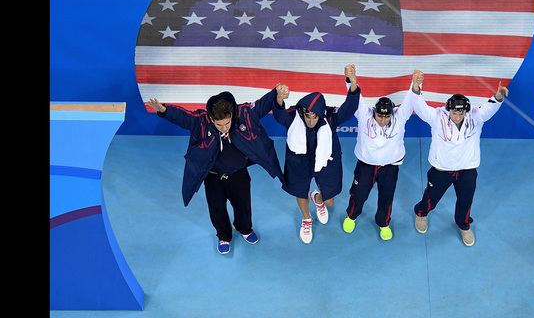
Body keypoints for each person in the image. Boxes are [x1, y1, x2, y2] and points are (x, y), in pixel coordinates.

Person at [145, 87, 285, 254]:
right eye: (220, 125)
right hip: (213, 178)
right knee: (217, 208)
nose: (225, 128)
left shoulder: (244, 114)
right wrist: (164, 110)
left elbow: (262, 105)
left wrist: (276, 91)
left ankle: (245, 228)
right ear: (211, 119)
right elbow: (184, 118)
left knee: (243, 205)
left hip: (238, 174)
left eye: (227, 122)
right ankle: (224, 236)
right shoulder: (201, 122)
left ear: (231, 114)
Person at [410, 69, 509, 246]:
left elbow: (489, 109)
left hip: (467, 170)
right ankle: (421, 213)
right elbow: (420, 107)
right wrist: (417, 87)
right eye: (454, 113)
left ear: (466, 110)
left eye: (461, 113)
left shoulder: (475, 117)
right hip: (441, 169)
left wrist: (499, 96)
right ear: (448, 109)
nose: (457, 116)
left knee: (465, 201)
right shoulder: (436, 117)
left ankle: (464, 225)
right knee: (431, 196)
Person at [272, 74, 360, 244]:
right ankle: (307, 218)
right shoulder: (293, 117)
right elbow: (278, 115)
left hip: (325, 162)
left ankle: (318, 199)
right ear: (302, 112)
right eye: (308, 116)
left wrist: (353, 84)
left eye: (315, 116)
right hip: (299, 163)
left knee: (330, 201)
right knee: (300, 192)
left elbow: (348, 109)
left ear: (320, 114)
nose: (311, 120)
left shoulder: (330, 118)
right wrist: (279, 99)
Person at [342, 64, 424, 240]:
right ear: (375, 112)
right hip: (365, 165)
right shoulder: (364, 115)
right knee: (358, 194)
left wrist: (416, 84)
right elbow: (356, 98)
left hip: (390, 167)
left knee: (386, 197)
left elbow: (411, 100)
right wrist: (352, 80)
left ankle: (383, 223)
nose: (383, 119)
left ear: (392, 113)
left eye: (387, 116)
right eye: (380, 115)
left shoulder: (399, 117)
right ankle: (352, 215)